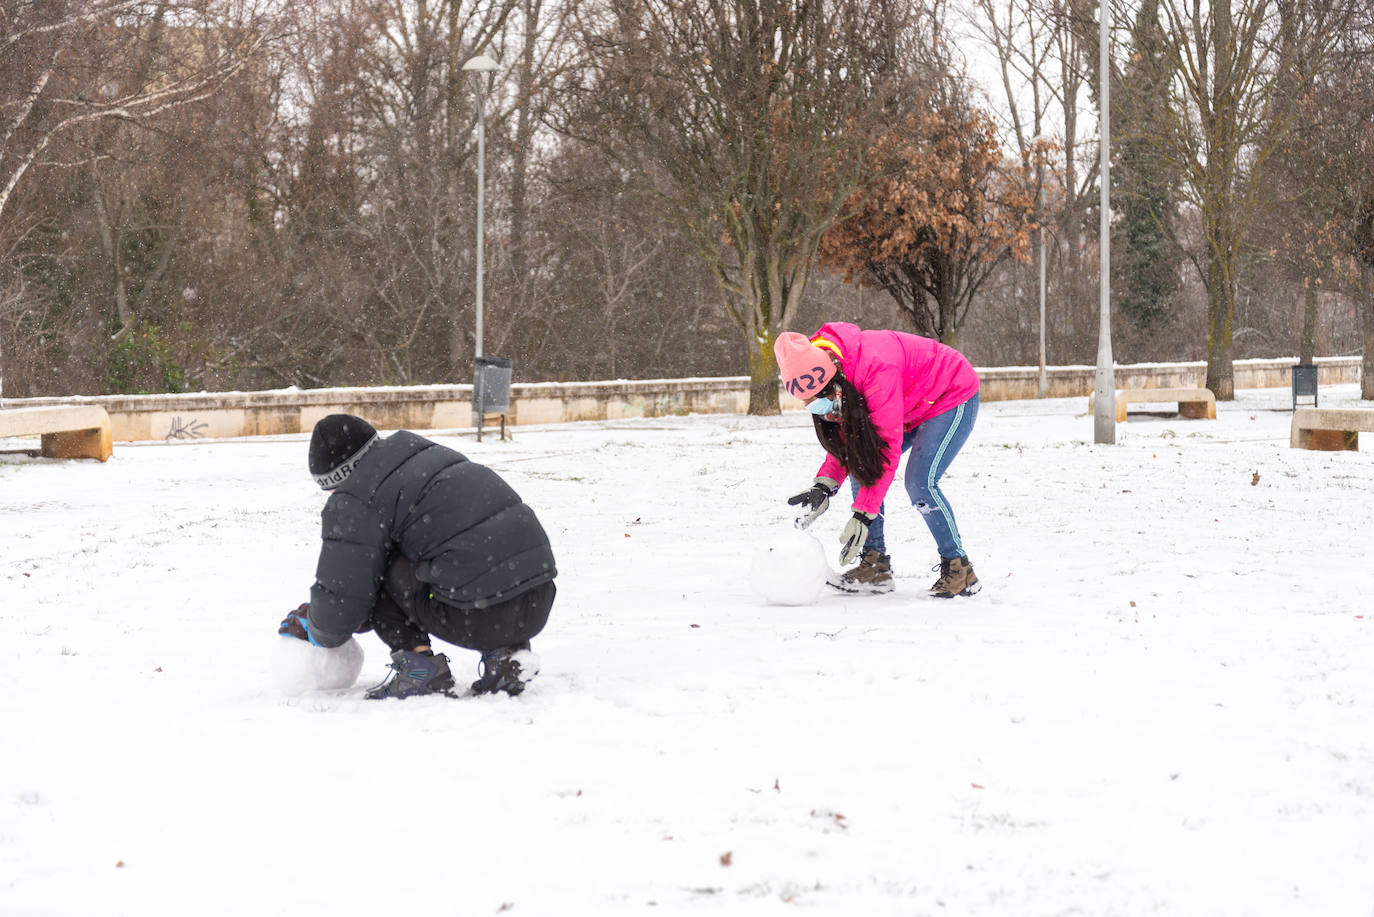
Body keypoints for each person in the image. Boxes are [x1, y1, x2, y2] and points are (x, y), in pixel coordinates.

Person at [277, 414, 557, 698]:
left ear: (339, 477)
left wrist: (315, 626)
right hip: (538, 598)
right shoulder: (425, 456)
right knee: (459, 558)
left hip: (480, 615)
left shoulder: (358, 497)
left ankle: (420, 668)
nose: (334, 496)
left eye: (330, 489)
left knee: (375, 569)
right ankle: (507, 656)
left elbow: (344, 596)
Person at [775, 322, 981, 598]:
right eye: (807, 401)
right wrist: (824, 485)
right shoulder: (832, 375)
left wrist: (863, 514)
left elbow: (885, 450)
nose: (813, 406)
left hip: (949, 394)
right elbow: (851, 444)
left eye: (816, 398)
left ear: (831, 382)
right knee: (862, 465)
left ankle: (959, 569)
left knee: (920, 483)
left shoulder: (875, 369)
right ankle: (875, 566)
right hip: (909, 402)